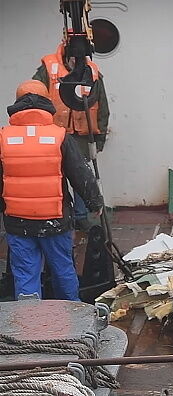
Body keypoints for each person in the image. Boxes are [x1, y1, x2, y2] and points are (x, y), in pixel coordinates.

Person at [0, 80, 104, 300]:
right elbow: (80, 174)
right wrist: (95, 203)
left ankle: (30, 326)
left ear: (17, 104)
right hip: (56, 221)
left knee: (26, 275)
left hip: (19, 223)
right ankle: (73, 318)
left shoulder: (4, 138)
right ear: (46, 102)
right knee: (63, 269)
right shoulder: (59, 136)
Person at [32, 39, 110, 231]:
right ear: (67, 54)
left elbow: (102, 105)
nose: (78, 61)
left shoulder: (91, 71)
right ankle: (57, 213)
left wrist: (99, 137)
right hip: (53, 134)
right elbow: (34, 98)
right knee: (55, 175)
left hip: (82, 135)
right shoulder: (47, 69)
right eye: (75, 57)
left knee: (81, 175)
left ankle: (81, 216)